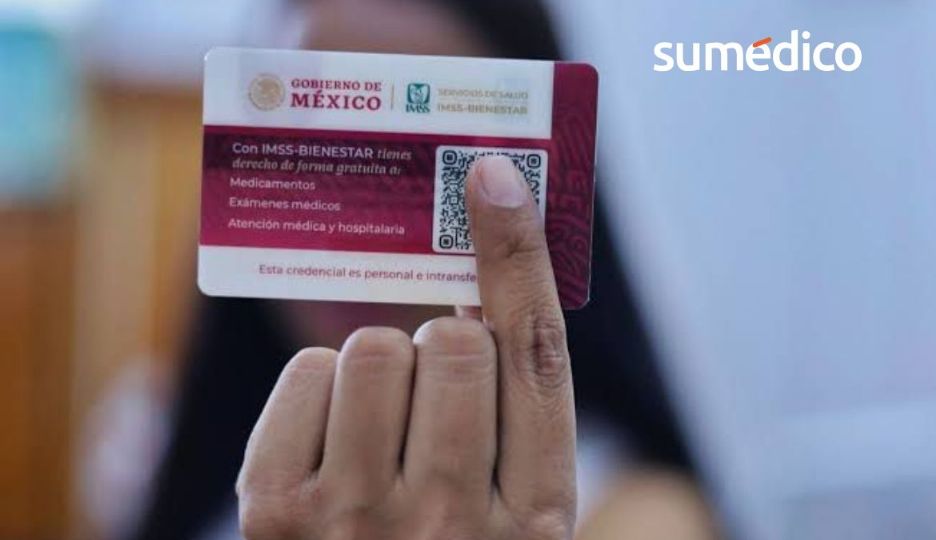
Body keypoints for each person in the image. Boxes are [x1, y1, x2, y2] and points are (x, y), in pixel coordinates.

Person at [129, 1, 710, 538]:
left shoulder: (641, 516)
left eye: (425, 163)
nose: (351, 231)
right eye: (309, 148)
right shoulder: (151, 445)